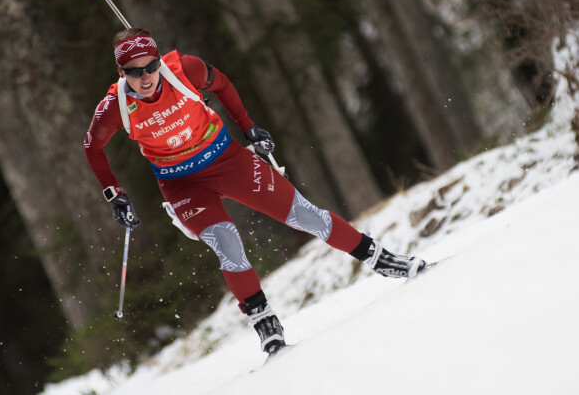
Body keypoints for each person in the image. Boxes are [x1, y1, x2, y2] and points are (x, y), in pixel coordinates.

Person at [84, 28, 430, 356]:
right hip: (181, 183)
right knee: (227, 243)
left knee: (305, 216)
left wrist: (249, 128)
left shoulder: (184, 69)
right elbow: (92, 147)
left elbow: (221, 83)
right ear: (121, 72)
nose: (145, 78)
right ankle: (265, 322)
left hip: (227, 160)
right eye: (135, 72)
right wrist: (114, 193)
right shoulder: (115, 107)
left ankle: (384, 261)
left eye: (151, 66)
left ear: (159, 60)